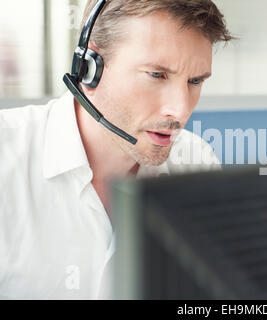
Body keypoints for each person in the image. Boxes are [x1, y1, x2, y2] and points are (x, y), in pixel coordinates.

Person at [0, 0, 232, 299]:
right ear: (90, 67)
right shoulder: (7, 156)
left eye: (195, 81)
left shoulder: (195, 162)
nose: (180, 110)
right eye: (156, 75)